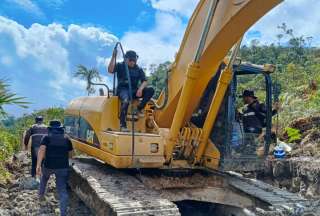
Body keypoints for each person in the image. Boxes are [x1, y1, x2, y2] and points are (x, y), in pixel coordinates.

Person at [108, 49, 155, 132]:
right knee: (126, 101)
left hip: (134, 91)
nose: (133, 62)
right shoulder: (120, 65)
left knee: (151, 90)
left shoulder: (138, 69)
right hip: (123, 90)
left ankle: (139, 108)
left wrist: (140, 89)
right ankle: (123, 125)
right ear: (126, 59)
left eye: (134, 60)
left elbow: (145, 81)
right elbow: (110, 70)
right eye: (131, 60)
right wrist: (113, 57)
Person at [36, 120, 73, 216]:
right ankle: (63, 213)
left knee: (44, 178)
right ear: (61, 129)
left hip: (49, 165)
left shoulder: (46, 137)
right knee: (62, 190)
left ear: (50, 129)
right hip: (62, 167)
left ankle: (41, 195)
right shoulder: (67, 139)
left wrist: (38, 165)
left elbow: (41, 150)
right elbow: (71, 154)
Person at [238, 90, 279, 155]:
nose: (243, 99)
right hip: (246, 135)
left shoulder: (260, 105)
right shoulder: (245, 109)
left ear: (248, 97)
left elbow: (269, 114)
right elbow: (243, 119)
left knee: (251, 151)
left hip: (255, 135)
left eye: (244, 97)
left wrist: (275, 109)